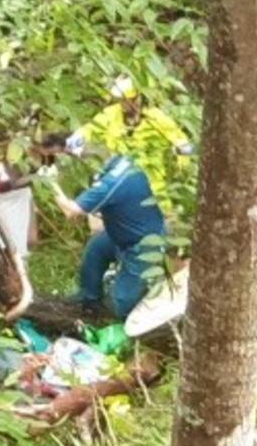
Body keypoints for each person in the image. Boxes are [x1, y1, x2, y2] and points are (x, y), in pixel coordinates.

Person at [41, 133, 166, 320]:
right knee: (95, 250)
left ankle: (131, 304)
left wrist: (51, 183)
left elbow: (71, 211)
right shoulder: (123, 162)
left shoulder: (108, 185)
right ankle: (89, 298)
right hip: (125, 231)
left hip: (144, 243)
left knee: (118, 306)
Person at [66, 76, 194, 217]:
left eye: (128, 101)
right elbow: (89, 129)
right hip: (118, 181)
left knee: (159, 227)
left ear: (138, 97)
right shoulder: (111, 114)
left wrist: (181, 164)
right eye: (121, 101)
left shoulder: (156, 119)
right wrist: (73, 143)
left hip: (152, 187)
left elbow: (183, 143)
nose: (124, 105)